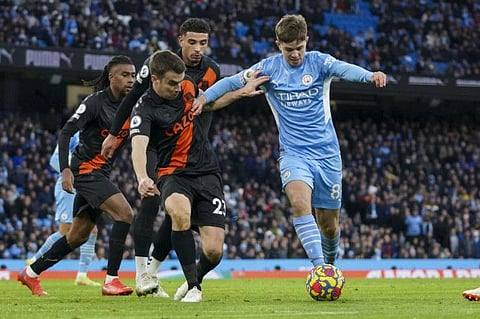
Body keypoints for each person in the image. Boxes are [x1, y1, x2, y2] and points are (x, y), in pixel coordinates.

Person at [193, 14, 387, 270]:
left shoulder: (319, 62)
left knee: (329, 225)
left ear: (306, 41)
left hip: (327, 155)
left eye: (299, 47)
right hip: (294, 154)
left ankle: (330, 263)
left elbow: (344, 68)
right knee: (299, 202)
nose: (295, 54)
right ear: (278, 45)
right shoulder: (268, 68)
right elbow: (231, 81)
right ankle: (320, 269)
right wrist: (204, 99)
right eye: (289, 49)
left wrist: (369, 75)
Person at [101, 18, 252, 298]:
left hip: (198, 157)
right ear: (180, 39)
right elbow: (134, 107)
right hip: (161, 149)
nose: (197, 49)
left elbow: (209, 104)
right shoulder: (155, 72)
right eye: (192, 42)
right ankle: (143, 275)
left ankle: (157, 273)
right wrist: (116, 139)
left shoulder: (203, 76)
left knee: (178, 218)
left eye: (203, 43)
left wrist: (240, 93)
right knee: (154, 203)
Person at [129, 50, 266, 302]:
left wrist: (239, 94)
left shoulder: (187, 87)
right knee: (178, 213)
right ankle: (194, 287)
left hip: (207, 172)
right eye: (171, 83)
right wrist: (141, 177)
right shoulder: (144, 109)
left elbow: (208, 104)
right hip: (173, 173)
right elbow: (138, 145)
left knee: (213, 251)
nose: (178, 87)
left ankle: (193, 278)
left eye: (180, 81)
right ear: (155, 79)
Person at [18, 55, 136, 296]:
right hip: (85, 170)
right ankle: (111, 280)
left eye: (133, 75)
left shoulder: (131, 106)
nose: (131, 80)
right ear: (112, 77)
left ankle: (30, 274)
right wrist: (65, 169)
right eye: (125, 75)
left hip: (101, 171)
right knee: (124, 214)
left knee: (77, 236)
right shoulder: (95, 103)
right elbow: (66, 132)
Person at [27, 131, 100, 287]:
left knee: (91, 230)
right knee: (66, 231)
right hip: (68, 187)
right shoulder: (74, 135)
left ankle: (82, 275)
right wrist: (76, 166)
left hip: (84, 186)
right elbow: (54, 160)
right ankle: (34, 261)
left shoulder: (94, 134)